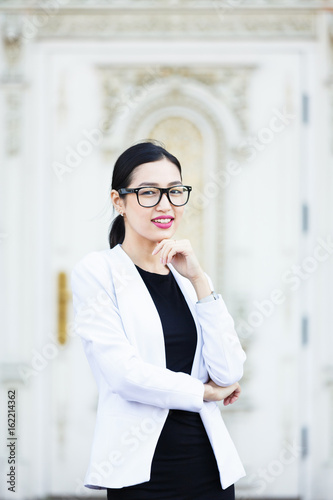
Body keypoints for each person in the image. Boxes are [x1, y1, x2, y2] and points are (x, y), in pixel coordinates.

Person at [70, 140, 247, 500]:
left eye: (174, 191)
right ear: (118, 201)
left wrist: (199, 280)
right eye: (148, 192)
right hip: (142, 472)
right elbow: (124, 374)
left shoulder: (190, 279)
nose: (165, 205)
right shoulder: (98, 272)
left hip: (209, 467)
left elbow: (229, 372)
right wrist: (203, 391)